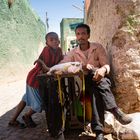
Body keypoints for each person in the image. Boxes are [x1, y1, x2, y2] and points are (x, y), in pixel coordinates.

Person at [59, 23, 132, 140]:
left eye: (83, 33)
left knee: (95, 92)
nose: (80, 36)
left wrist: (102, 70)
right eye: (78, 34)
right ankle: (115, 110)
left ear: (88, 35)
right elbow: (63, 65)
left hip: (101, 81)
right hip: (84, 84)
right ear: (76, 36)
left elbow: (106, 65)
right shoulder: (73, 53)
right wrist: (80, 66)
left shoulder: (97, 47)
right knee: (92, 78)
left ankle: (99, 133)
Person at [8, 32, 63, 128]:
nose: (54, 41)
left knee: (25, 99)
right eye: (51, 39)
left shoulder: (59, 50)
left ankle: (12, 120)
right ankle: (27, 116)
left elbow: (60, 63)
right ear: (47, 43)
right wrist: (49, 66)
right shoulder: (47, 50)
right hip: (35, 80)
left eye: (56, 39)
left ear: (59, 40)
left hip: (41, 80)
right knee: (40, 103)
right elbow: (47, 68)